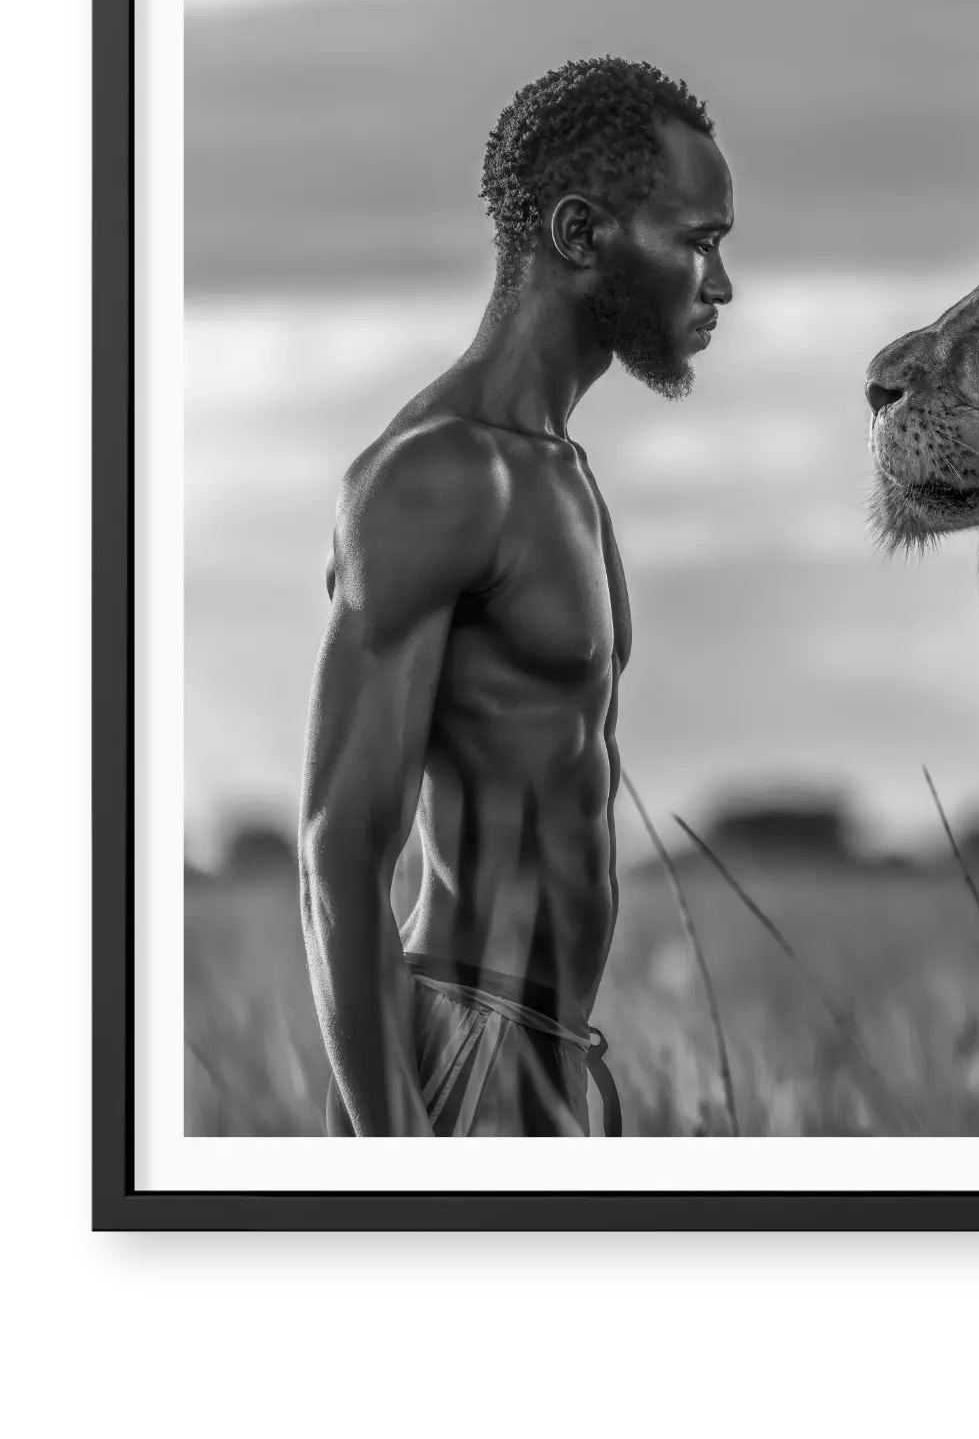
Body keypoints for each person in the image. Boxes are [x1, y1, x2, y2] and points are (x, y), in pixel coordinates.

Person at [298, 57, 734, 1135]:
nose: (719, 286)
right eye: (698, 240)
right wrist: (402, 1154)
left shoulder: (562, 471)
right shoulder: (440, 475)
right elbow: (339, 851)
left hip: (552, 1051)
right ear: (582, 233)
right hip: (462, 1049)